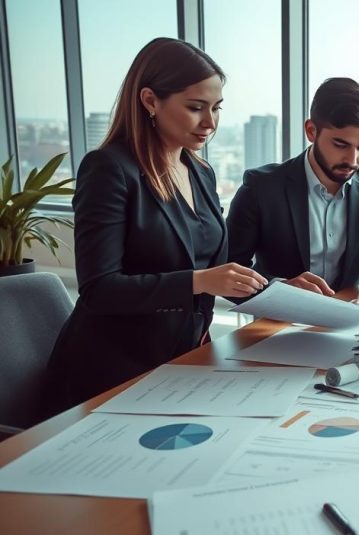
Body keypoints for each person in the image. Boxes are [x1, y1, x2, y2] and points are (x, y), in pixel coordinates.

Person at [47, 38, 267, 414]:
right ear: (150, 100)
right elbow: (99, 289)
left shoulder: (200, 172)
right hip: (110, 371)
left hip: (182, 362)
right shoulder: (109, 169)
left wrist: (278, 290)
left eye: (216, 108)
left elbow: (218, 269)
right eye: (195, 108)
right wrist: (198, 280)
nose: (210, 123)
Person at [227, 78, 359, 309]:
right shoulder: (261, 187)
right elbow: (227, 271)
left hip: (348, 323)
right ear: (311, 131)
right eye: (340, 144)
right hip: (275, 325)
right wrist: (280, 287)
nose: (353, 160)